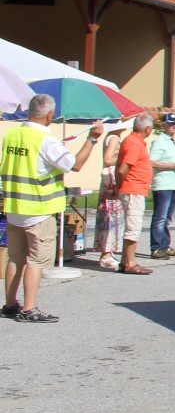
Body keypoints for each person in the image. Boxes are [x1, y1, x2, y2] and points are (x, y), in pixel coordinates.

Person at [1, 93, 105, 322]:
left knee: (15, 259)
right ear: (49, 115)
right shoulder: (46, 141)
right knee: (36, 261)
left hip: (14, 207)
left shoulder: (12, 134)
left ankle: (10, 305)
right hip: (39, 208)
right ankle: (29, 308)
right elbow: (75, 165)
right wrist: (92, 139)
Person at [114, 113, 155, 275]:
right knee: (133, 226)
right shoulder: (134, 144)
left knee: (133, 225)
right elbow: (123, 168)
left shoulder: (132, 141)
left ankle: (125, 261)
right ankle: (130, 263)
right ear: (147, 129)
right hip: (133, 189)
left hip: (133, 188)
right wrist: (121, 185)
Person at [148, 112, 175, 259]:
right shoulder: (159, 141)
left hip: (174, 183)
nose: (174, 125)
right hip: (163, 183)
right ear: (164, 125)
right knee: (160, 217)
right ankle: (156, 248)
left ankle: (165, 245)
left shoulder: (174, 141)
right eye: (171, 123)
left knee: (168, 217)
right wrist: (173, 165)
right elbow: (151, 161)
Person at [94, 125, 125, 269]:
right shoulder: (115, 138)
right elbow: (108, 159)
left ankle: (107, 251)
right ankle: (106, 254)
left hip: (108, 181)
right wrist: (122, 160)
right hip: (111, 181)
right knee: (111, 217)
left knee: (109, 217)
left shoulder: (110, 137)